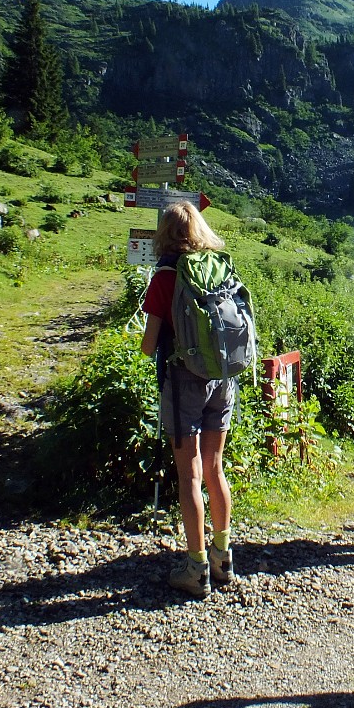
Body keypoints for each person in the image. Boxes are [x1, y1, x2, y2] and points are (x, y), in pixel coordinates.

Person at [140, 201, 236, 599]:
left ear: (165, 232)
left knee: (190, 477)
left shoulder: (165, 276)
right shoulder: (217, 268)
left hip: (183, 383)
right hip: (223, 380)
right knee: (215, 469)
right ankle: (222, 556)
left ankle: (195, 568)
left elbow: (148, 346)